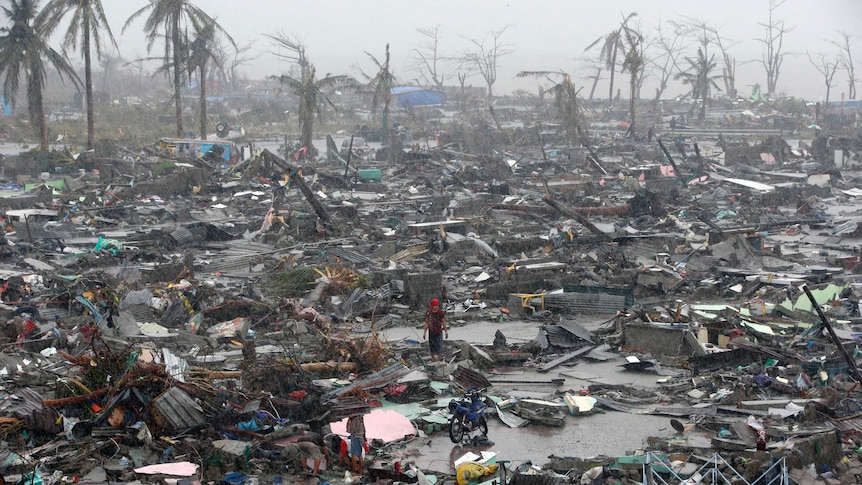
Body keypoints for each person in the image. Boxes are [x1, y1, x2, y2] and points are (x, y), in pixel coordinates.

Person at [423, 298, 448, 362]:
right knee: (432, 346)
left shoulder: (440, 312)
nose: (435, 307)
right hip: (431, 331)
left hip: (438, 331)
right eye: (434, 305)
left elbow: (443, 322)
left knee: (439, 346)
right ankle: (433, 359)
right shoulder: (428, 312)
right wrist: (424, 333)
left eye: (436, 305)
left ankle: (439, 360)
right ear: (432, 306)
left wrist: (446, 331)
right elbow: (426, 322)